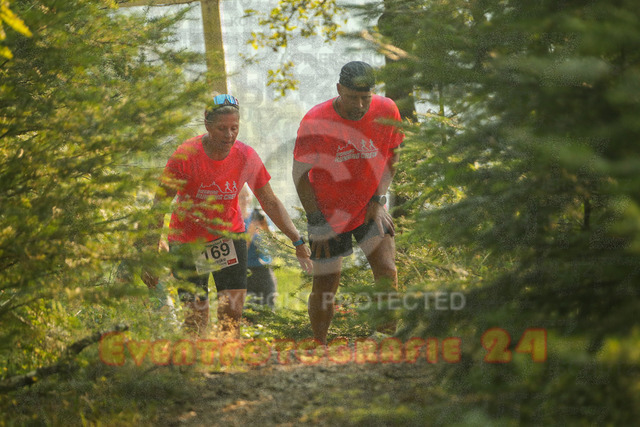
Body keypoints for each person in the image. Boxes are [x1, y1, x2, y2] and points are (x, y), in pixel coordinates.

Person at [143, 94, 312, 336]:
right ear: (207, 124)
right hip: (188, 242)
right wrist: (150, 254)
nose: (229, 135)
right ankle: (196, 357)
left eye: (234, 128)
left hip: (228, 238)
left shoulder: (245, 156)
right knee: (196, 316)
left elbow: (270, 201)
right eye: (222, 128)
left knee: (232, 314)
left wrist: (297, 239)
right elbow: (159, 204)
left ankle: (227, 357)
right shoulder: (186, 155)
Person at [292, 61, 404, 345]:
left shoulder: (387, 110)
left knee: (387, 270)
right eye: (353, 97)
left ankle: (385, 340)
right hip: (328, 212)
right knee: (326, 284)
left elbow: (393, 154)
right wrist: (316, 220)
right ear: (339, 89)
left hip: (369, 205)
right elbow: (300, 175)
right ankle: (319, 345)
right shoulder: (316, 120)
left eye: (365, 98)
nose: (360, 105)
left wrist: (378, 199)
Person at [238, 186, 278, 308]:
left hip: (264, 269)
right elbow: (240, 252)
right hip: (245, 271)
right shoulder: (236, 221)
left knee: (269, 306)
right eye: (241, 197)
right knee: (247, 311)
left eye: (247, 196)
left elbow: (274, 244)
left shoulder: (258, 216)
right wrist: (250, 233)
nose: (245, 200)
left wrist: (265, 227)